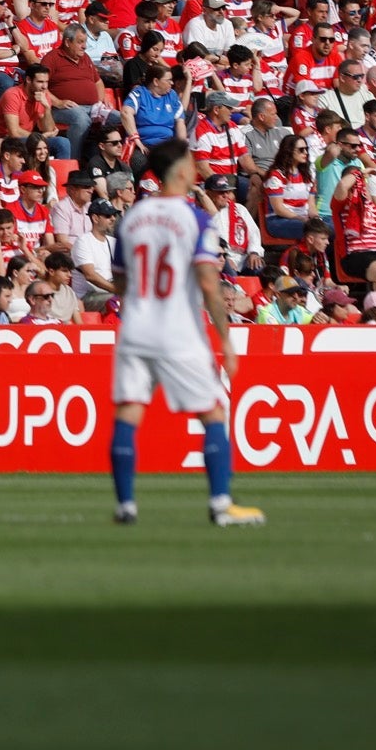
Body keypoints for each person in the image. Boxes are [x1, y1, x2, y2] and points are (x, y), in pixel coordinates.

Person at [109, 137, 264, 529]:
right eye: (191, 162)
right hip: (178, 328)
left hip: (136, 326)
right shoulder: (195, 218)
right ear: (180, 171)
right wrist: (225, 341)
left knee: (129, 412)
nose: (196, 167)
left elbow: (120, 281)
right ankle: (221, 503)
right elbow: (210, 285)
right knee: (213, 412)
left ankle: (126, 504)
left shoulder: (131, 218)